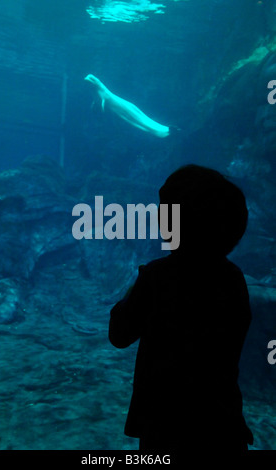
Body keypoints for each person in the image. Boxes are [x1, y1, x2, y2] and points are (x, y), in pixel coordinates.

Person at [109, 164, 254, 454]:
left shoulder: (158, 276)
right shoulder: (233, 278)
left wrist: (138, 281)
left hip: (165, 423)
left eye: (165, 212)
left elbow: (119, 334)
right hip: (221, 421)